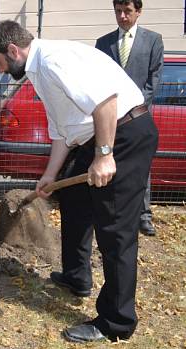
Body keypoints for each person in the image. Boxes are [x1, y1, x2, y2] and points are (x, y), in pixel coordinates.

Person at [0, 20, 157, 343]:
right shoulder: (38, 70)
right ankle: (77, 277)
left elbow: (105, 101)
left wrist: (104, 156)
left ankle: (116, 322)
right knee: (75, 202)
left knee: (115, 229)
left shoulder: (53, 61)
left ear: (13, 50)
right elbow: (63, 131)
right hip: (95, 136)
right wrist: (50, 176)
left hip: (124, 134)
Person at [96, 0, 164, 236]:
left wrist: (133, 107)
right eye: (118, 11)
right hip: (111, 118)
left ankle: (143, 216)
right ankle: (112, 211)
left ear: (138, 12)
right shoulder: (103, 43)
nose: (122, 16)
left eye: (127, 11)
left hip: (139, 116)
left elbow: (153, 80)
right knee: (109, 161)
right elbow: (99, 80)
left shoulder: (153, 40)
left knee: (140, 167)